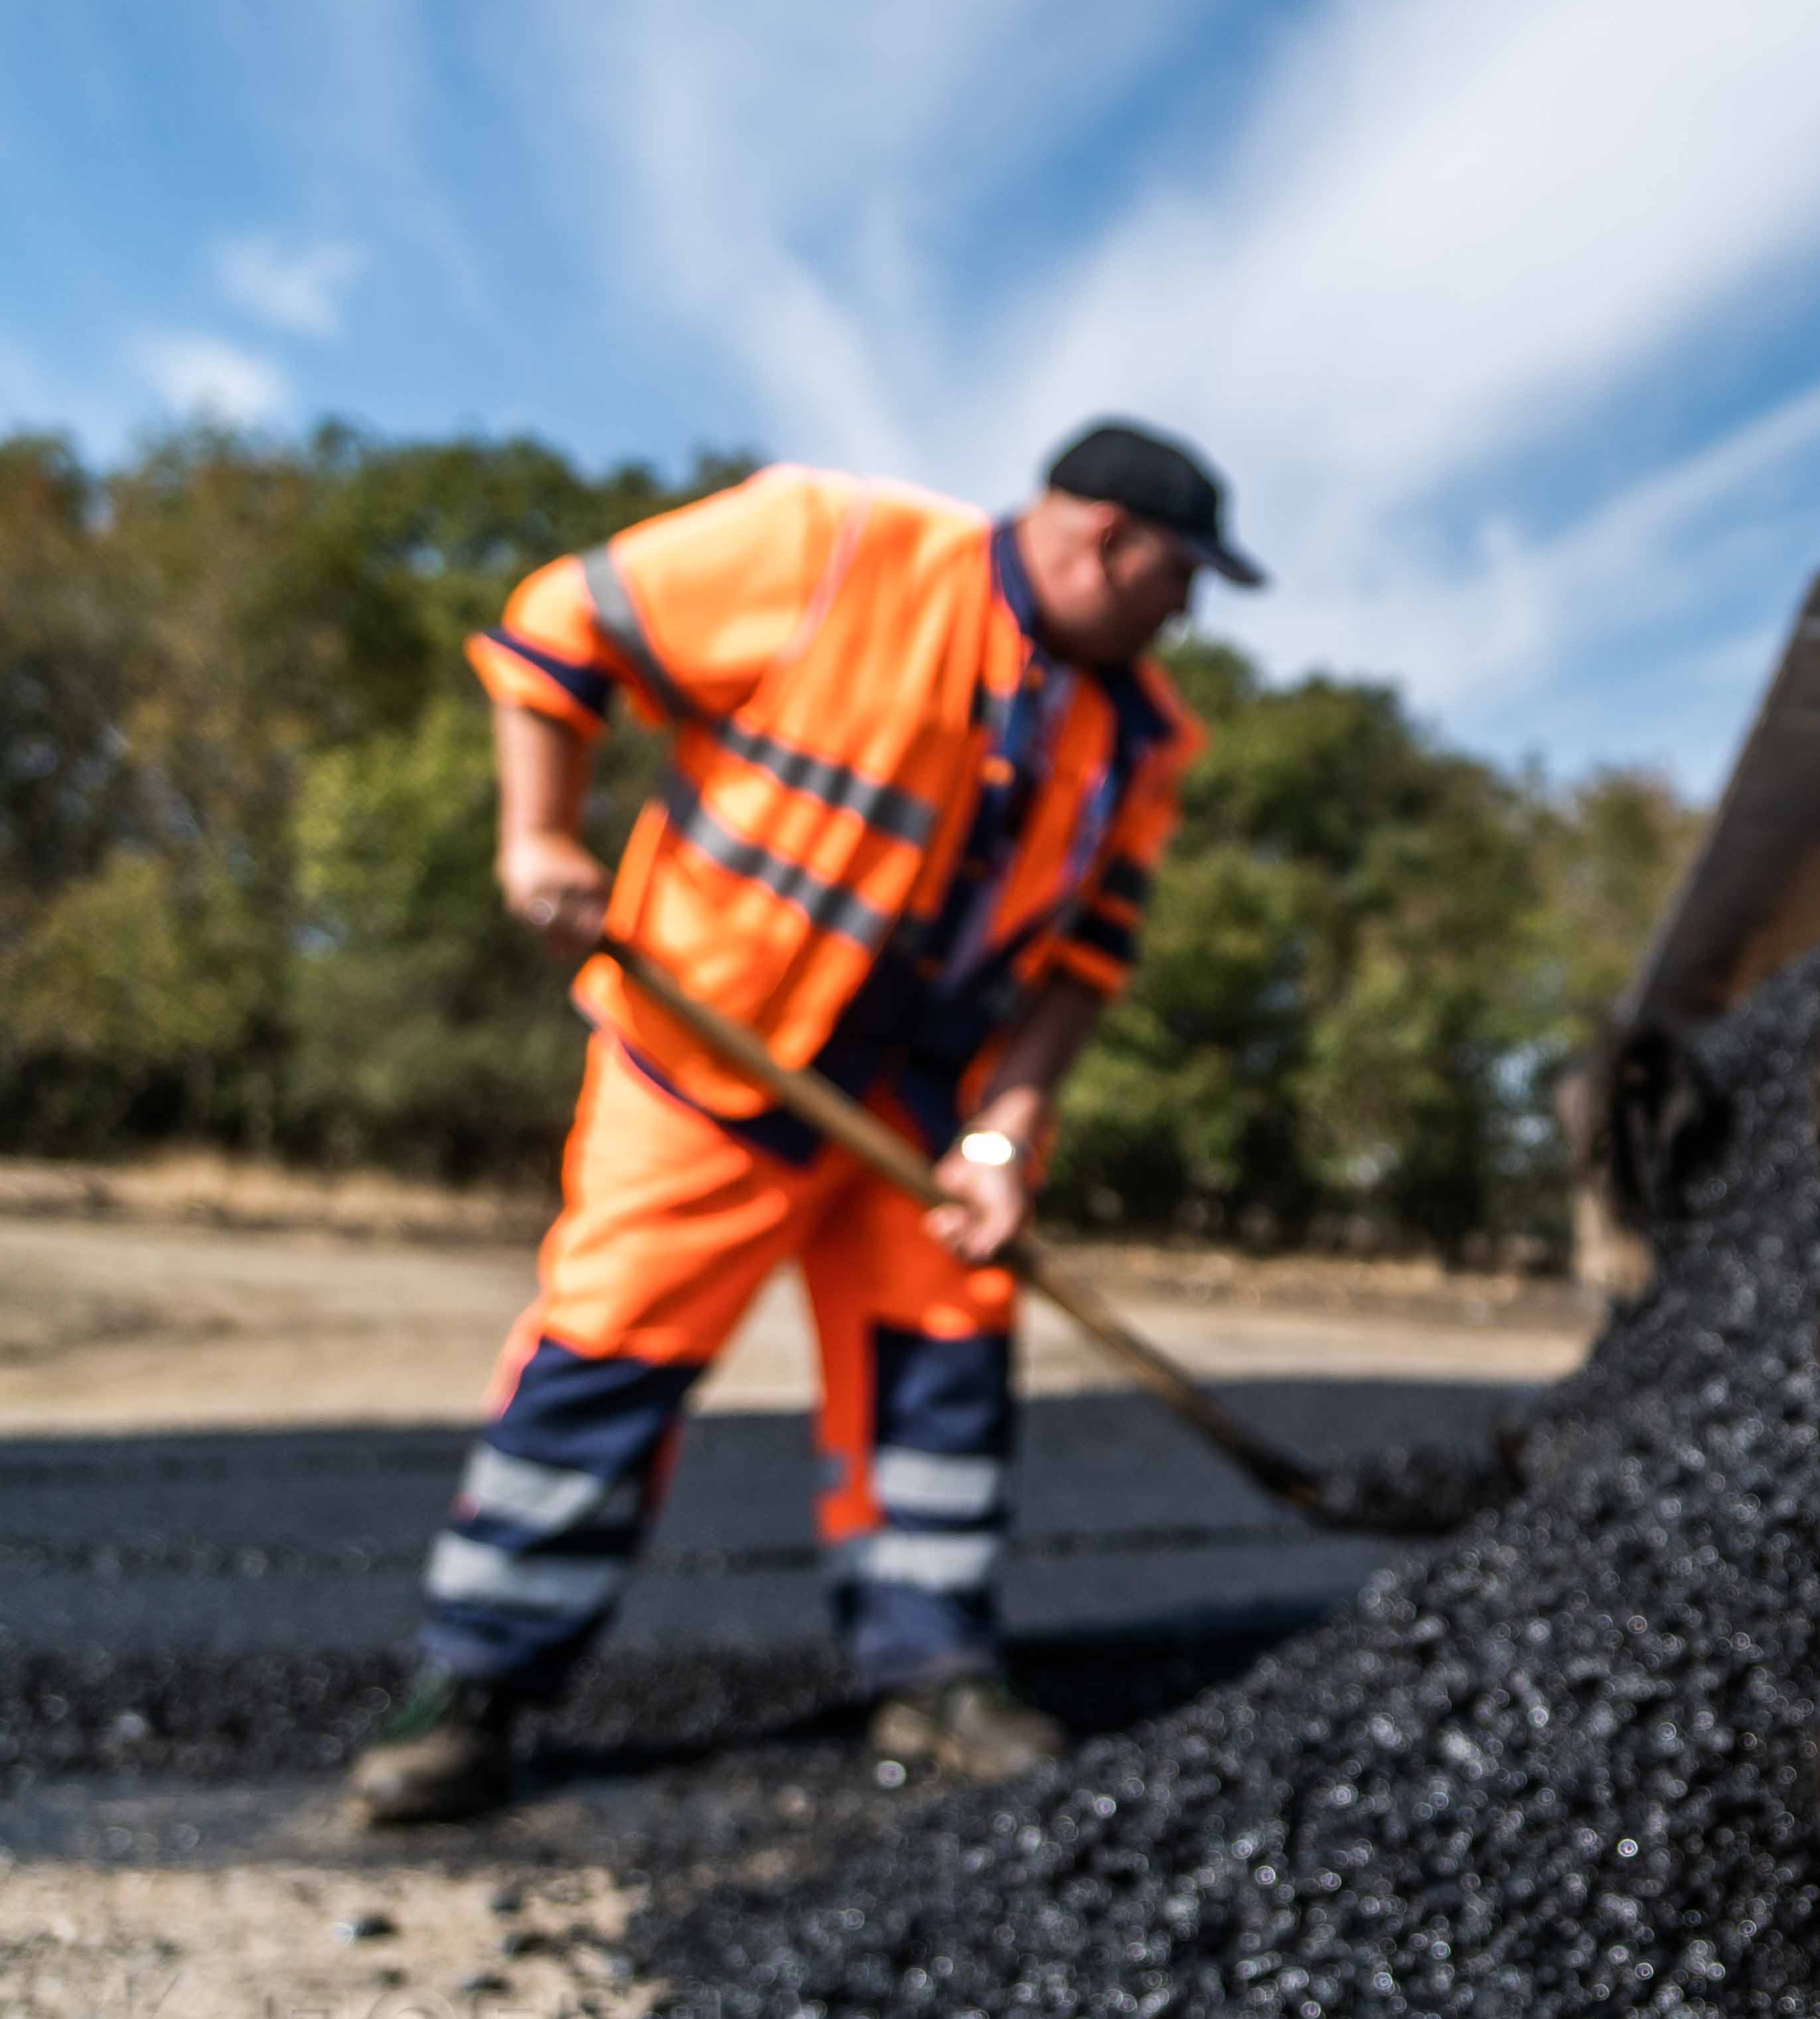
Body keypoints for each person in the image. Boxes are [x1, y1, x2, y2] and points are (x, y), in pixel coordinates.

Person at [342, 421, 1258, 1825]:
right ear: (1102, 539)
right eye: (1180, 577)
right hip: (713, 1062)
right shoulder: (832, 548)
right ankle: (474, 1685)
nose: (1185, 613)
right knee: (606, 1352)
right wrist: (540, 834)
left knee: (939, 1386)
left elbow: (1086, 962)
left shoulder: (1141, 732)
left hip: (932, 1121)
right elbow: (556, 626)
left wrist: (1008, 1134)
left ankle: (935, 1665)